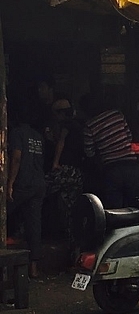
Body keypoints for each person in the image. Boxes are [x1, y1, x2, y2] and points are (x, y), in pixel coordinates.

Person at [83, 92, 139, 209]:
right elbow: (129, 136)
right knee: (137, 203)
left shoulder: (89, 125)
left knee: (115, 208)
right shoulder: (117, 115)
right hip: (131, 163)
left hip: (111, 168)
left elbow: (89, 152)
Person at [7, 103, 47, 278]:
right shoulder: (38, 136)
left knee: (4, 214)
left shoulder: (17, 133)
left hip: (22, 183)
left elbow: (16, 158)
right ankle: (34, 267)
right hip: (38, 184)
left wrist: (10, 183)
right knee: (34, 225)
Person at [45, 98, 85, 243]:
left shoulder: (66, 126)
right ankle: (72, 242)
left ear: (61, 114)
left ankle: (20, 232)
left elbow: (61, 142)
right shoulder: (79, 126)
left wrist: (55, 163)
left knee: (36, 190)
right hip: (77, 172)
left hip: (66, 170)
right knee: (70, 208)